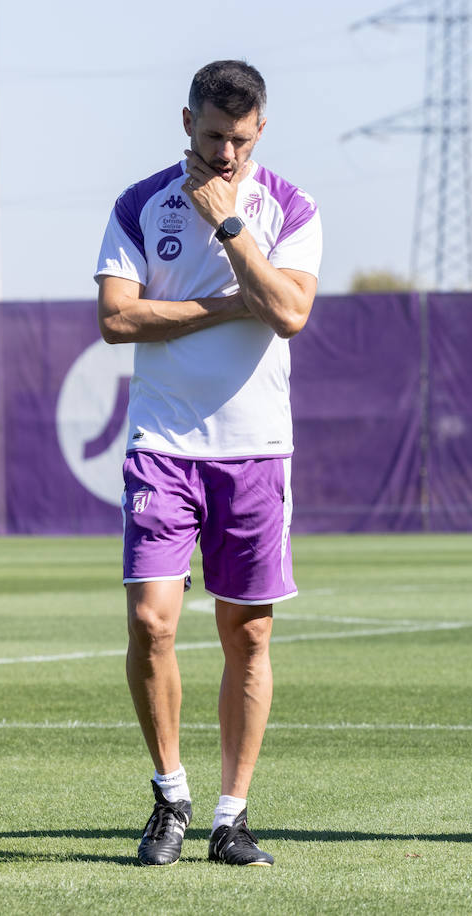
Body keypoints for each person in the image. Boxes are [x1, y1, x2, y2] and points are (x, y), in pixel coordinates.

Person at [93, 59, 322, 867]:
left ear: (260, 132)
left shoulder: (287, 206)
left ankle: (231, 816)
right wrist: (228, 306)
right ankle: (170, 797)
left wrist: (230, 226)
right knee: (152, 621)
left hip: (255, 450)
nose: (227, 153)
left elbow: (290, 312)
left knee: (248, 635)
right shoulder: (138, 204)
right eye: (215, 135)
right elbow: (117, 321)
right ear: (185, 121)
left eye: (242, 138)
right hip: (163, 447)